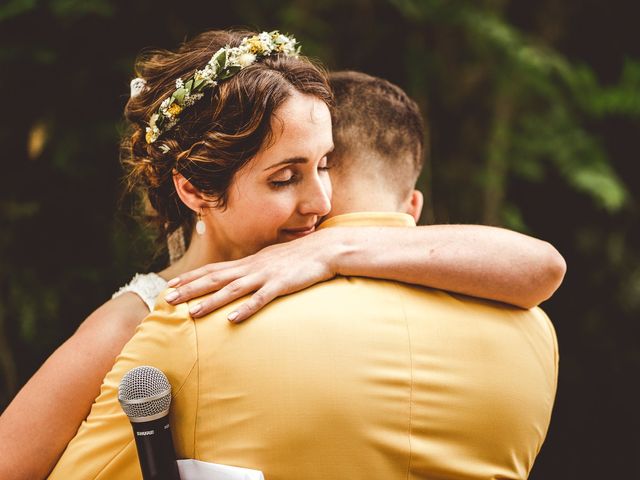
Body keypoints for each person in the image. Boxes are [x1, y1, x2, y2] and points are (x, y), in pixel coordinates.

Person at [0, 30, 563, 480]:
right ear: (196, 191)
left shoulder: (331, 255)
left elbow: (539, 266)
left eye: (323, 164)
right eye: (285, 177)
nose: (321, 200)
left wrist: (332, 248)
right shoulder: (135, 318)